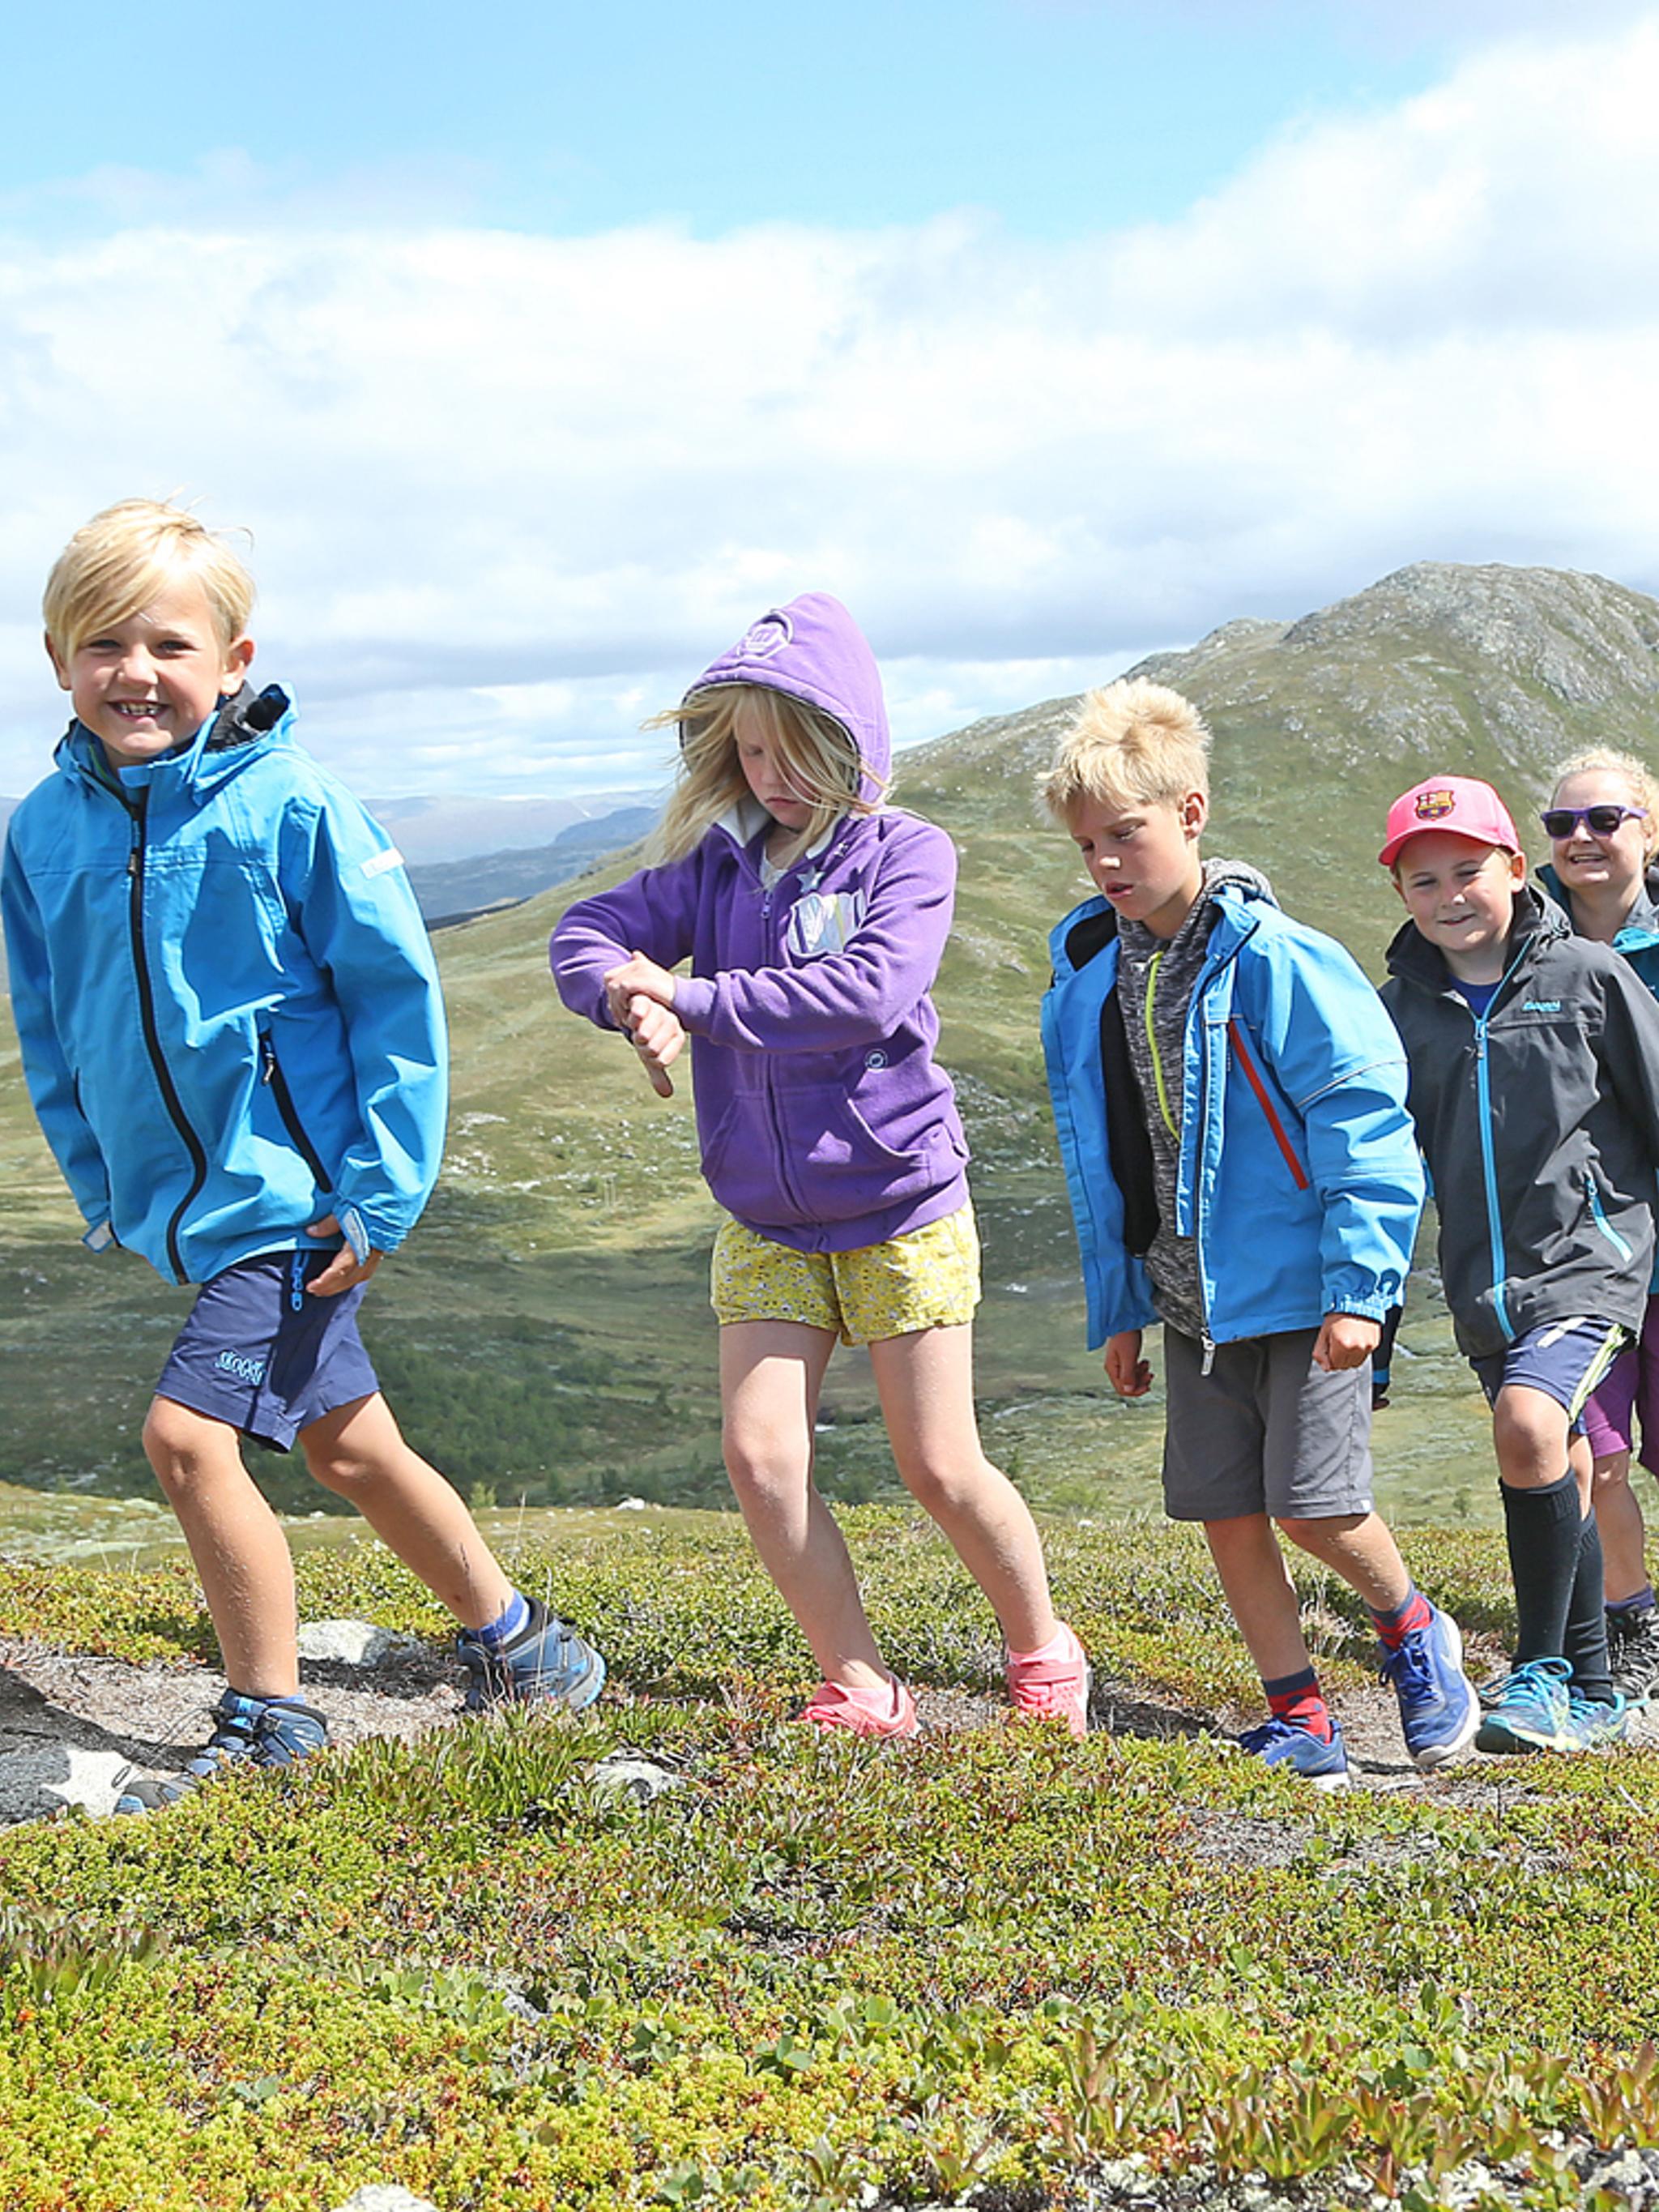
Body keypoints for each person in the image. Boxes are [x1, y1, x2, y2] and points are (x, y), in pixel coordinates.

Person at [2, 500, 605, 1812]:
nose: (135, 670)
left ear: (231, 659)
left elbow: (396, 998)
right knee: (348, 1448)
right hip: (189, 1204)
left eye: (169, 641)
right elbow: (50, 1020)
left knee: (185, 1440)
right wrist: (101, 1182)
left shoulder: (293, 805)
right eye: (101, 642)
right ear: (57, 659)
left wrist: (380, 1192)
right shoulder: (41, 828)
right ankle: (525, 1648)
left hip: (299, 1200)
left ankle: (271, 1713)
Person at [548, 592, 1088, 1739]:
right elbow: (586, 928)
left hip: (900, 1204)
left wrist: (683, 997)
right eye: (748, 750)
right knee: (760, 1456)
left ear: (854, 742)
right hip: (765, 1213)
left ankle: (1042, 1646)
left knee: (940, 1466)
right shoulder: (714, 864)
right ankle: (860, 1681)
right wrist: (616, 992)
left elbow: (867, 993)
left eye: (795, 751)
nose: (771, 775)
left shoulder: (907, 852)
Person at [1040, 681, 1477, 1790]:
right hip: (1190, 1298)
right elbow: (1118, 1155)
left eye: (1126, 833)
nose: (1106, 862)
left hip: (1306, 1286)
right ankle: (1302, 1716)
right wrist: (1127, 1304)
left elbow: (1362, 1118)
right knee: (1228, 1511)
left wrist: (1361, 1288)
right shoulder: (1099, 970)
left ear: (1190, 813)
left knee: (1316, 1503)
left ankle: (1415, 1626)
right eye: (1089, 842)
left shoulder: (1278, 955)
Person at [1381, 773, 1659, 1753]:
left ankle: (1535, 1670)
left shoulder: (1586, 974)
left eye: (1467, 870)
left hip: (1590, 1264)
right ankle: (1592, 1686)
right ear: (1399, 894)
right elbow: (1390, 1171)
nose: (1449, 895)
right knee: (1566, 1461)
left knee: (1529, 1423)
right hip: (1481, 1290)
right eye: (1422, 881)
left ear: (1510, 865)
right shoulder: (1399, 1012)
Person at [1538, 748, 1659, 1699]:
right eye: (1560, 825)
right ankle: (1629, 1617)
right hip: (1582, 1249)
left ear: (1646, 833)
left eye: (1604, 820)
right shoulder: (1522, 944)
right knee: (1598, 1453)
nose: (1580, 838)